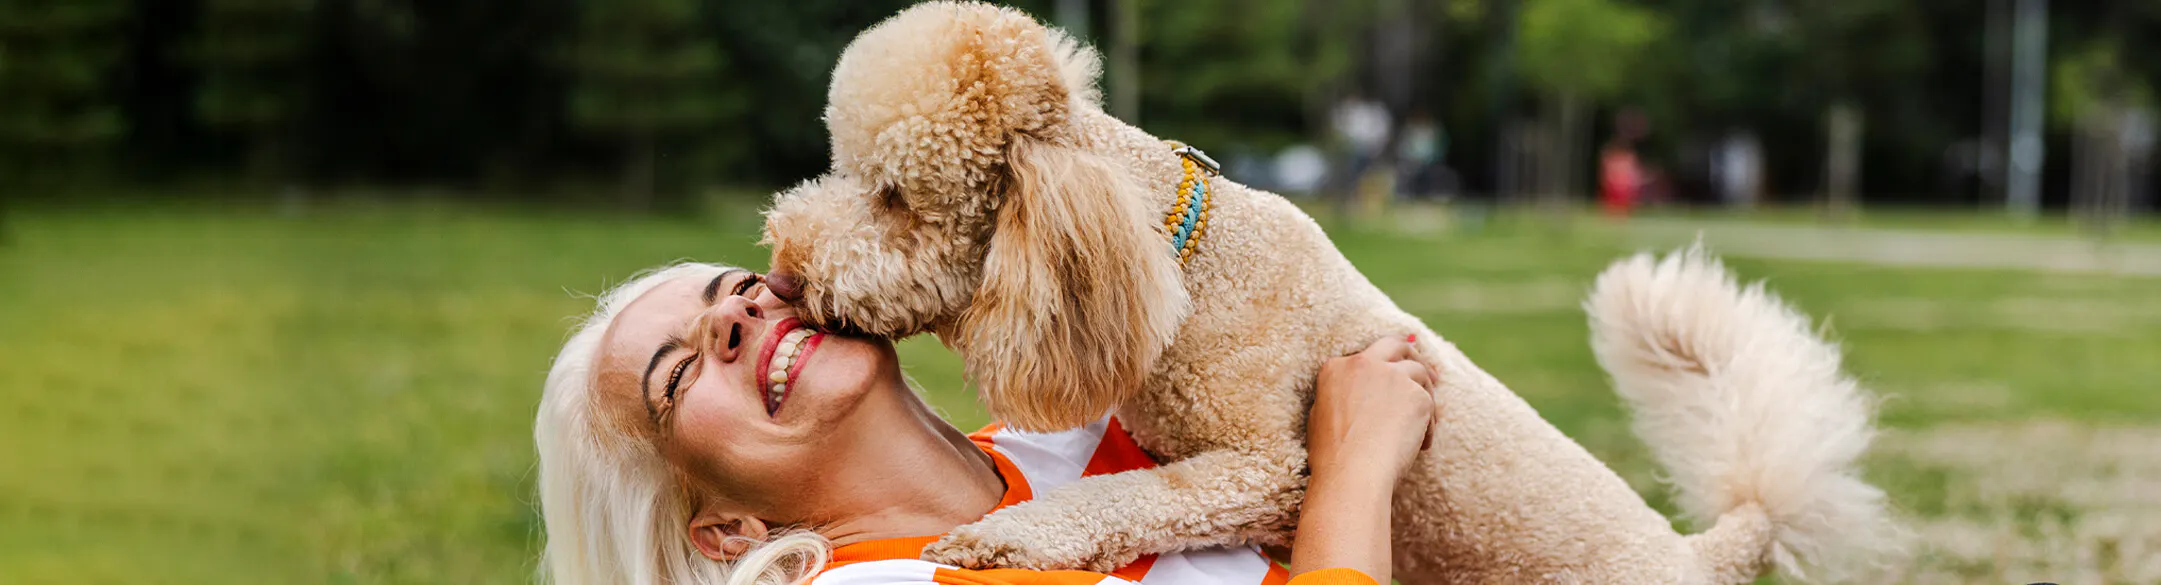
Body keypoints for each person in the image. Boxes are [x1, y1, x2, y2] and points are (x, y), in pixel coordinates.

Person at [536, 263, 1443, 585]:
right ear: (725, 528)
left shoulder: (1074, 433)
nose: (733, 317)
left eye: (738, 289)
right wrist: (1356, 461)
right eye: (680, 373)